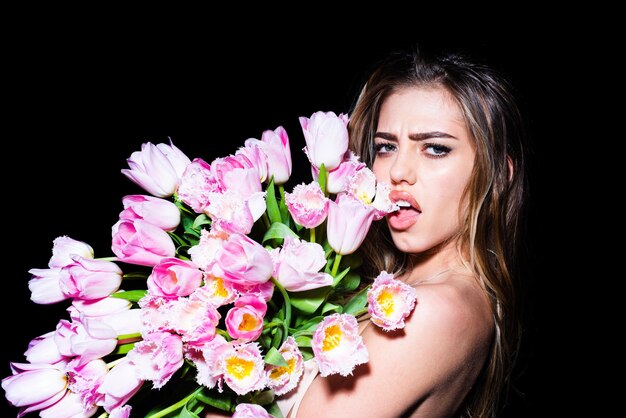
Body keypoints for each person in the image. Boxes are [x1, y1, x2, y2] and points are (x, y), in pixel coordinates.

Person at [206, 46, 529, 418]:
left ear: (499, 176)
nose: (398, 171)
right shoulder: (391, 289)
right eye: (386, 147)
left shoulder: (435, 310)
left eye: (436, 148)